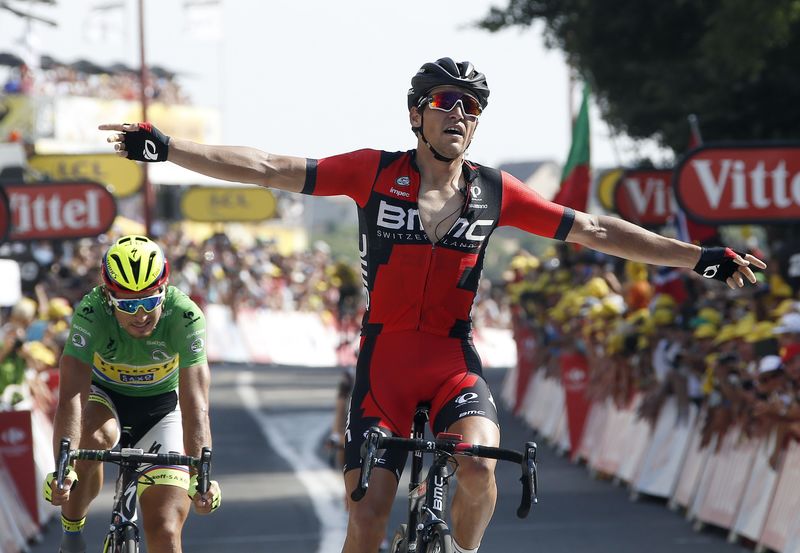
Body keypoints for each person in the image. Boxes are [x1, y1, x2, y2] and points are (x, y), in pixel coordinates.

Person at [99, 57, 765, 553]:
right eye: (447, 101)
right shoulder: (371, 172)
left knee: (477, 465)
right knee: (366, 519)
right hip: (383, 366)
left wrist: (696, 255)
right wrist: (170, 148)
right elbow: (271, 167)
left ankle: (462, 548)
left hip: (453, 363)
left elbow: (594, 229)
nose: (461, 114)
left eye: (473, 107)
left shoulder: (496, 192)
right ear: (417, 112)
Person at [43, 235, 221, 553]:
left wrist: (202, 475)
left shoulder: (186, 316)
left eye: (150, 301)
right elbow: (71, 394)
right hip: (105, 398)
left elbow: (196, 403)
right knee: (94, 439)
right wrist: (62, 467)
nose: (140, 314)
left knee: (166, 532)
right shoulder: (91, 312)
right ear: (109, 298)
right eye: (127, 305)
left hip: (162, 408)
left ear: (164, 291)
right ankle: (72, 534)